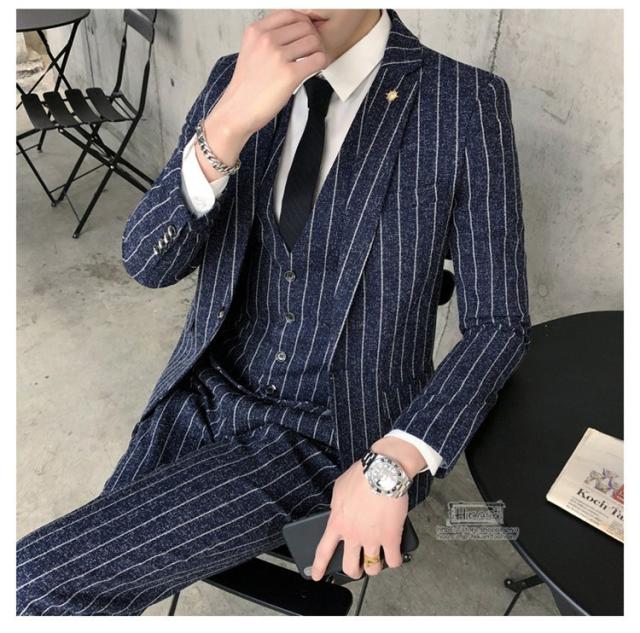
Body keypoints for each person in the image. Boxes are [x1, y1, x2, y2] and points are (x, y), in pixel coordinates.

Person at [16, 7, 531, 615]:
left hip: (334, 434)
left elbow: (500, 324)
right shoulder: (233, 77)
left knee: (34, 579)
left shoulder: (463, 102)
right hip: (205, 392)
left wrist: (394, 462)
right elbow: (147, 264)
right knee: (73, 587)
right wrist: (229, 124)